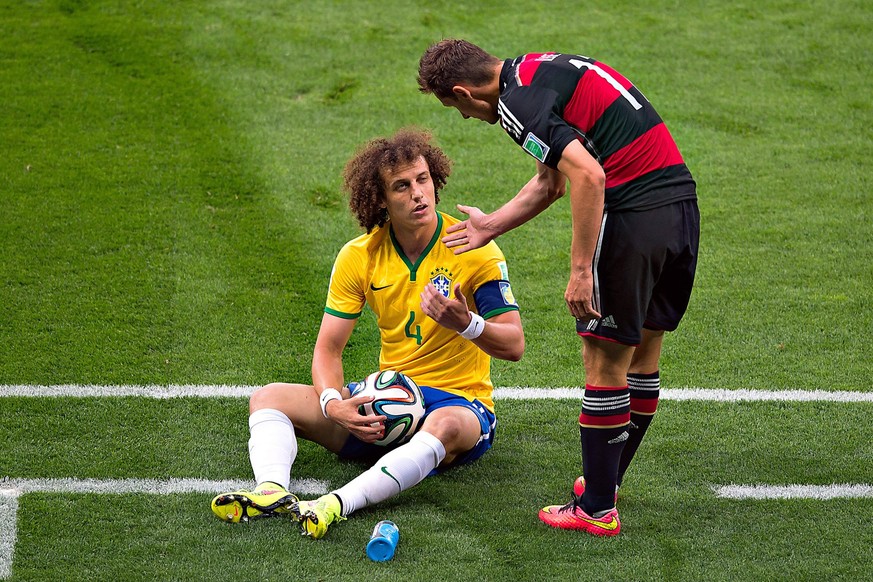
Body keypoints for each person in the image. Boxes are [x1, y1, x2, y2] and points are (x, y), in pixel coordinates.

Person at [418, 40, 699, 536]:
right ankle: (603, 485)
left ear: (464, 92)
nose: (462, 117)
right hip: (678, 209)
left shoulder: (514, 105)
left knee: (604, 361)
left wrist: (580, 269)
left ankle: (595, 509)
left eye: (454, 107)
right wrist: (492, 226)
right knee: (643, 354)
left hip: (632, 218)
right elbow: (550, 183)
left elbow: (588, 176)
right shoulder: (536, 72)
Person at [210, 128, 524, 539]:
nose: (418, 194)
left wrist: (466, 323)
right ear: (380, 200)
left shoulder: (473, 247)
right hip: (392, 398)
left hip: (462, 403)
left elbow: (514, 344)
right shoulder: (359, 256)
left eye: (423, 179)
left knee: (445, 426)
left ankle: (335, 504)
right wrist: (332, 402)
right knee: (268, 398)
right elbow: (328, 349)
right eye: (402, 186)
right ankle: (272, 491)